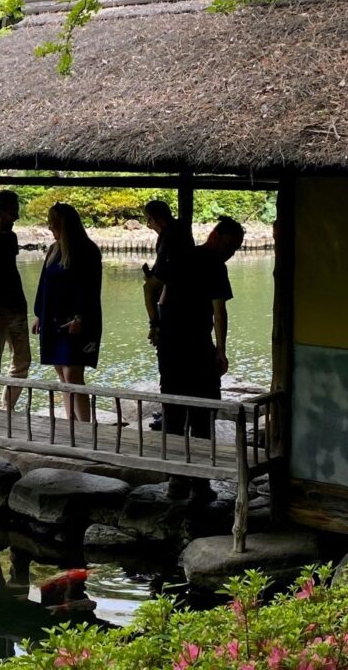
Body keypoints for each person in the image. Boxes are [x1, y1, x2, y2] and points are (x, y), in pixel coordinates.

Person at [156, 215, 244, 502]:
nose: (232, 254)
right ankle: (200, 483)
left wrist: (156, 326)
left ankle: (176, 481)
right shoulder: (214, 266)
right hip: (197, 347)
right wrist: (221, 350)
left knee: (173, 412)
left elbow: (161, 298)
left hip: (170, 347)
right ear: (217, 236)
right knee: (203, 413)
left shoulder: (181, 258)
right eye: (231, 247)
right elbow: (220, 311)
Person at [32, 203, 102, 422]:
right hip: (52, 318)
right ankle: (70, 420)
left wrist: (80, 316)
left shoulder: (87, 250)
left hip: (78, 320)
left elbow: (91, 288)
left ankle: (84, 426)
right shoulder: (54, 250)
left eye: (53, 221)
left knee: (73, 373)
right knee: (61, 371)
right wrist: (38, 314)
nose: (50, 225)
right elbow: (44, 284)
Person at [141, 199, 194, 430]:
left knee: (170, 369)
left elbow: (152, 286)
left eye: (149, 220)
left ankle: (173, 419)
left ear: (156, 219)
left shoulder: (172, 238)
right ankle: (173, 413)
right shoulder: (179, 233)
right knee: (177, 368)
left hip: (173, 313)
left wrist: (154, 323)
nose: (148, 225)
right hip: (182, 311)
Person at [0, 190, 31, 409]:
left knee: (22, 362)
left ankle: (7, 408)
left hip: (17, 307)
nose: (17, 218)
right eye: (13, 213)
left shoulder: (11, 238)